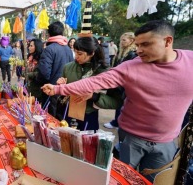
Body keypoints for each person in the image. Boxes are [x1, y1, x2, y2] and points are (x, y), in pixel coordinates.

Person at [41, 20, 193, 182]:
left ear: (167, 41)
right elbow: (95, 82)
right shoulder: (131, 66)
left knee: (153, 181)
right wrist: (58, 89)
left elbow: (111, 99)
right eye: (138, 44)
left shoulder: (190, 62)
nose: (139, 50)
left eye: (146, 44)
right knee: (120, 179)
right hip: (131, 138)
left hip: (167, 141)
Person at [56, 37, 120, 130]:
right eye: (75, 52)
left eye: (80, 53)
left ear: (92, 53)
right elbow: (62, 96)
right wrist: (61, 87)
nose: (76, 56)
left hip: (89, 117)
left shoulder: (104, 73)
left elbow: (116, 102)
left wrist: (94, 96)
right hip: (68, 113)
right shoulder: (68, 67)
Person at [37, 21, 74, 118]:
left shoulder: (49, 49)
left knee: (50, 117)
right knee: (61, 117)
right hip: (65, 90)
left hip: (51, 89)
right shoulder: (68, 49)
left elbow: (44, 72)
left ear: (49, 34)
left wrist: (42, 83)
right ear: (62, 33)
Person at [104, 32, 137, 129]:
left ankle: (118, 122)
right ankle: (118, 121)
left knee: (123, 103)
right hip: (119, 82)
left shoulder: (132, 54)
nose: (122, 42)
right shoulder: (122, 52)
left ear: (131, 41)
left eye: (124, 40)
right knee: (120, 102)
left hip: (125, 83)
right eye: (121, 40)